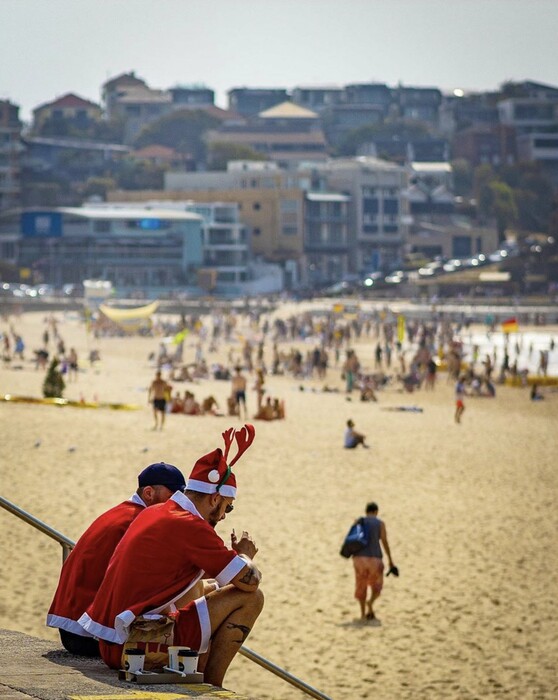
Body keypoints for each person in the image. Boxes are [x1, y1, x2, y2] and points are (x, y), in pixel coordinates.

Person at [79, 425, 263, 688]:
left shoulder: (160, 512)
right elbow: (250, 581)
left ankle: (202, 679)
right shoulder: (190, 525)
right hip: (138, 645)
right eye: (227, 507)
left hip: (113, 643)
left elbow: (196, 574)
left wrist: (230, 561)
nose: (224, 516)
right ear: (215, 499)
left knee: (206, 587)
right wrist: (245, 557)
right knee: (252, 599)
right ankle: (214, 685)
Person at [47, 463, 186, 657]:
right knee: (187, 622)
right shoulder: (140, 523)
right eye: (173, 497)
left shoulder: (121, 513)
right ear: (149, 493)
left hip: (73, 624)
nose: (178, 504)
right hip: (88, 634)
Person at [352, 502, 396, 621]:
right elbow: (384, 541)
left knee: (361, 585)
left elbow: (352, 539)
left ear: (366, 511)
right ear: (376, 511)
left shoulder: (359, 521)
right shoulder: (380, 523)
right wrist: (390, 560)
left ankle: (363, 614)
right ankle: (370, 603)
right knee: (377, 586)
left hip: (359, 558)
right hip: (375, 558)